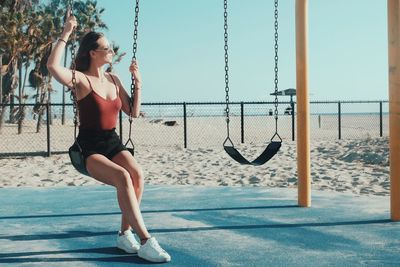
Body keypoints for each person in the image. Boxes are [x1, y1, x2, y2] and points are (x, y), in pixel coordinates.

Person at [47, 12, 171, 263]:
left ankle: (125, 234)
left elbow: (133, 112)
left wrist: (139, 82)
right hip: (89, 147)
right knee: (122, 177)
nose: (112, 51)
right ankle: (146, 240)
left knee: (137, 174)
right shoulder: (80, 79)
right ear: (93, 53)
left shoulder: (114, 79)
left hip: (112, 141)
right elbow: (52, 67)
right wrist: (66, 33)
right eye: (107, 48)